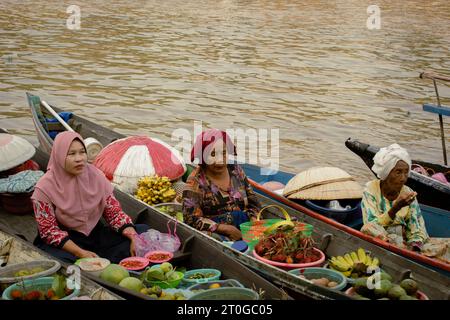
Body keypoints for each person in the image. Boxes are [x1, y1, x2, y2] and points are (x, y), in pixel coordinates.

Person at [31, 131, 149, 263]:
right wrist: (80, 253)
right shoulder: (44, 187)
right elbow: (49, 231)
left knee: (143, 232)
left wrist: (133, 237)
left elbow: (114, 214)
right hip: (66, 241)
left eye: (82, 152)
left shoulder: (96, 175)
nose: (79, 158)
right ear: (59, 156)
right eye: (71, 154)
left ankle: (99, 258)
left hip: (94, 234)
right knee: (62, 262)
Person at [182, 129, 260, 241]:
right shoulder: (195, 182)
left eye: (223, 153)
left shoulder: (236, 170)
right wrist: (225, 229)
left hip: (245, 224)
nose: (219, 160)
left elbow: (254, 203)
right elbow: (191, 220)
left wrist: (254, 223)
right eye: (212, 154)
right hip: (218, 233)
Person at [361, 143, 428, 251]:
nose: (403, 178)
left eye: (406, 172)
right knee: (368, 228)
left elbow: (416, 227)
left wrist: (414, 244)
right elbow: (371, 224)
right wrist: (395, 208)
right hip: (381, 239)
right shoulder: (370, 189)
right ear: (386, 173)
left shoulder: (408, 192)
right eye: (398, 172)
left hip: (404, 242)